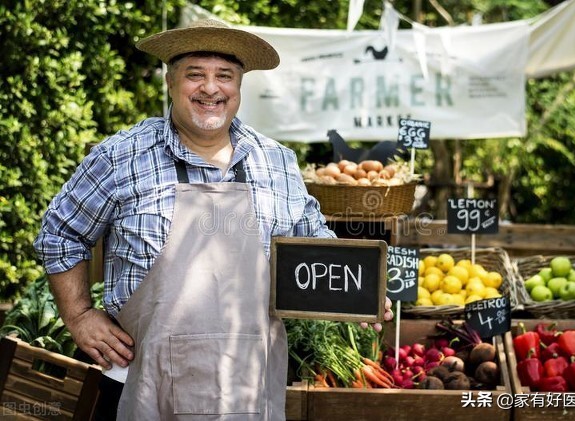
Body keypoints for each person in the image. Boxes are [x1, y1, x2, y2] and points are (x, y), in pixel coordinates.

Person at [33, 18, 393, 420]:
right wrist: (80, 315)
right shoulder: (121, 156)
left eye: (224, 76)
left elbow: (312, 240)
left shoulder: (275, 161)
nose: (210, 88)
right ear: (170, 82)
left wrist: (359, 286)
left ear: (238, 87)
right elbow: (60, 233)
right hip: (141, 383)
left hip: (247, 390)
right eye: (195, 75)